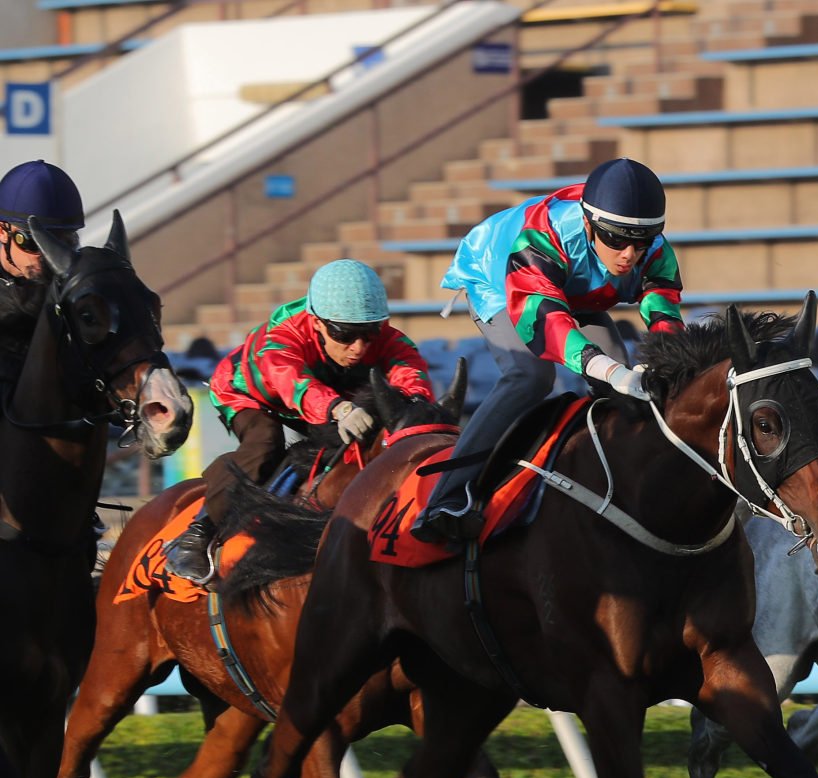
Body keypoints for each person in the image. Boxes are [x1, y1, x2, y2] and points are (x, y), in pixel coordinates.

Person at [409, 157, 684, 545]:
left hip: (571, 287)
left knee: (622, 389)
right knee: (531, 377)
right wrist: (604, 367)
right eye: (615, 241)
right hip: (502, 278)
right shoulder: (543, 237)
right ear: (588, 224)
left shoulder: (651, 248)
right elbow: (545, 321)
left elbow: (664, 311)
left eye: (640, 243)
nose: (628, 255)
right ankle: (446, 499)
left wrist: (667, 364)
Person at [164, 260, 432, 582]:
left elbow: (410, 372)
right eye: (345, 335)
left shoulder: (388, 340)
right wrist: (338, 409)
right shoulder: (284, 336)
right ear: (317, 322)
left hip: (324, 398)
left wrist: (414, 405)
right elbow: (292, 381)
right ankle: (198, 532)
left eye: (370, 333)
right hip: (249, 394)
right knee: (265, 443)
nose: (359, 348)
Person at [0, 160, 84, 381]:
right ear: (2, 231)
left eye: (62, 242)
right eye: (33, 242)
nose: (46, 256)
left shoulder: (76, 294)